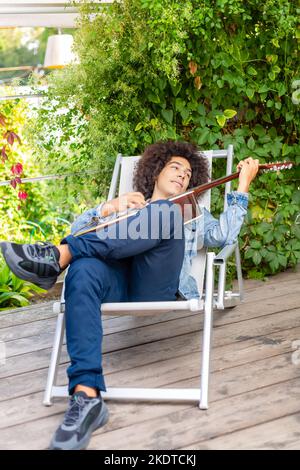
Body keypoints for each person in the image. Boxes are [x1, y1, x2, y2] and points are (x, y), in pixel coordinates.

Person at [0, 140, 259, 450]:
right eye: (174, 167)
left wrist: (243, 184)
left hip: (158, 286)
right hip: (120, 285)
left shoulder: (191, 213)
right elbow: (81, 227)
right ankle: (87, 397)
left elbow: (225, 236)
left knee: (164, 211)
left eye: (188, 173)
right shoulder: (128, 205)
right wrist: (107, 209)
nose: (182, 175)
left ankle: (58, 255)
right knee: (83, 271)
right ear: (156, 171)